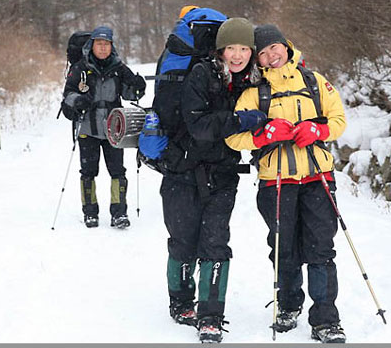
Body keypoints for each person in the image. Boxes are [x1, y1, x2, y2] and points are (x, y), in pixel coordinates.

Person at [139, 17, 266, 343]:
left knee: (215, 243)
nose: (237, 55)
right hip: (181, 171)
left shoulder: (254, 82)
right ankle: (181, 303)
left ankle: (211, 316)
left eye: (244, 49)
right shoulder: (200, 74)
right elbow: (199, 126)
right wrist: (239, 120)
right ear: (220, 50)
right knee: (184, 242)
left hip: (223, 176)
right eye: (231, 48)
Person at [225, 24, 347, 343]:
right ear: (258, 60)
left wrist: (318, 131)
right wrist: (263, 134)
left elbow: (338, 120)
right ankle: (288, 304)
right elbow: (233, 136)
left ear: (286, 45)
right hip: (275, 181)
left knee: (321, 248)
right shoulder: (254, 93)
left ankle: (325, 319)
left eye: (274, 47)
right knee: (284, 248)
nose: (271, 55)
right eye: (262, 52)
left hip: (317, 178)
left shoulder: (315, 82)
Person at [62, 26, 146, 228]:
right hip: (87, 128)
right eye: (99, 44)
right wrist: (77, 101)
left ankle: (119, 213)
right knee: (88, 172)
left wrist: (138, 86)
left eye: (106, 44)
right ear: (92, 45)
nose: (102, 48)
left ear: (111, 46)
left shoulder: (118, 67)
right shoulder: (80, 68)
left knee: (117, 171)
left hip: (113, 129)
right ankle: (90, 213)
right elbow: (68, 94)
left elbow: (129, 94)